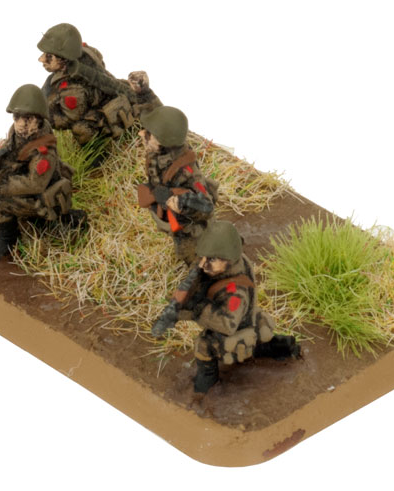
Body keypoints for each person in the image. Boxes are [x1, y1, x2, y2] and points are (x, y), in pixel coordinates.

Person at [151, 221, 301, 393]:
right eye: (203, 257)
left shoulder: (235, 290)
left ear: (228, 259)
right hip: (243, 317)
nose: (203, 264)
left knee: (205, 345)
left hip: (237, 326)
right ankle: (279, 346)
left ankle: (207, 382)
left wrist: (196, 309)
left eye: (211, 259)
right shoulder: (229, 263)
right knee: (259, 342)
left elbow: (227, 324)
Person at [0, 84, 84, 264]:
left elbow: (35, 184)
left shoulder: (44, 151)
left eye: (27, 118)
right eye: (17, 117)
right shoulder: (17, 132)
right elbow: (9, 151)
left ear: (39, 119)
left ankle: (8, 240)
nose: (21, 123)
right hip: (30, 188)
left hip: (43, 197)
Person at [136, 106, 217, 264]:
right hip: (171, 213)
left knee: (191, 256)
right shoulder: (159, 154)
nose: (141, 134)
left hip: (190, 227)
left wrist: (179, 201)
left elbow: (206, 207)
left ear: (161, 141)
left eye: (148, 134)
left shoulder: (187, 172)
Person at [38, 23, 138, 143]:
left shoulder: (74, 89)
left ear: (64, 59)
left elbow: (69, 119)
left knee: (81, 130)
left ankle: (99, 150)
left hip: (109, 111)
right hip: (105, 94)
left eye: (49, 56)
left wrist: (44, 119)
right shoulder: (85, 51)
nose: (41, 59)